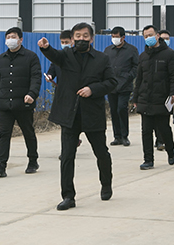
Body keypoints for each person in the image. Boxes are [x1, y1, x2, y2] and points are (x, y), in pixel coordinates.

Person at [38, 23, 117, 210]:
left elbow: (112, 82)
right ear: (72, 39)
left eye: (85, 36)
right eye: (78, 36)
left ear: (92, 38)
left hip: (92, 113)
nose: (82, 39)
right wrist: (46, 47)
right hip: (69, 114)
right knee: (67, 156)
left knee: (101, 153)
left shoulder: (102, 59)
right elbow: (54, 55)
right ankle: (68, 196)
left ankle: (106, 184)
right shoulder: (66, 56)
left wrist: (93, 89)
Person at [0, 27, 42, 178]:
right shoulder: (1, 58)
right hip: (4, 104)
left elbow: (36, 77)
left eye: (13, 37)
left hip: (23, 103)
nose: (10, 40)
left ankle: (33, 160)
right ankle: (1, 166)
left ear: (20, 39)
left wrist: (32, 94)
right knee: (4, 134)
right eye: (8, 37)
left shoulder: (31, 57)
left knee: (28, 132)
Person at [133, 25, 174, 170]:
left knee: (163, 129)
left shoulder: (170, 55)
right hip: (145, 98)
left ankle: (170, 150)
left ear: (158, 35)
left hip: (162, 99)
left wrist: (173, 94)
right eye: (146, 36)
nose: (148, 38)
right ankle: (148, 160)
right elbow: (139, 79)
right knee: (146, 131)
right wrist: (135, 98)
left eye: (151, 35)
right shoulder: (143, 56)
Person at [104, 26, 138, 147]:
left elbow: (136, 67)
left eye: (116, 37)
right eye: (112, 37)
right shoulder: (108, 50)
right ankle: (117, 136)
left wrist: (128, 77)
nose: (114, 39)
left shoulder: (131, 50)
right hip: (111, 86)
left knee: (121, 108)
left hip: (125, 85)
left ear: (123, 37)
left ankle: (124, 136)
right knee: (113, 110)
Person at [155, 29, 174, 150]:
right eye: (163, 38)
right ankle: (158, 140)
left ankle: (163, 141)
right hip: (153, 92)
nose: (165, 41)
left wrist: (173, 92)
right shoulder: (150, 54)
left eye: (167, 39)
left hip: (166, 93)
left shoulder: (173, 55)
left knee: (164, 120)